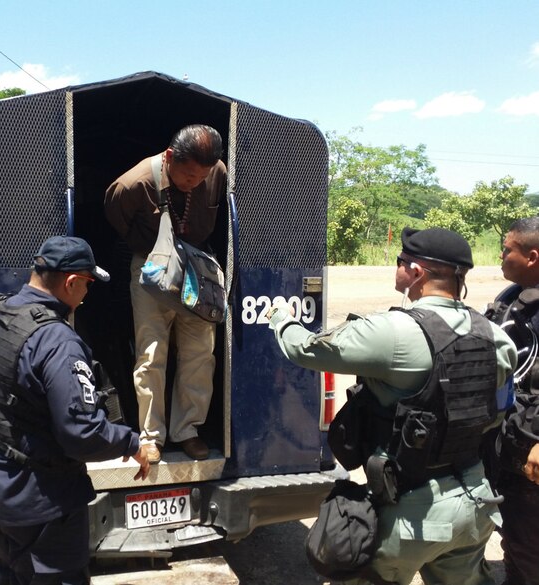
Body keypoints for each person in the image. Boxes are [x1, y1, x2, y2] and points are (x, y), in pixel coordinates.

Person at [268, 227, 517, 585]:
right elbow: (496, 413)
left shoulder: (394, 332)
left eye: (401, 262)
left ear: (416, 272)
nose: (397, 268)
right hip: (475, 504)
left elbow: (308, 349)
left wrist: (280, 319)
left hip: (412, 513)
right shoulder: (495, 336)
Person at [0, 235, 151, 585]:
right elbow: (82, 433)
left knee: (11, 574)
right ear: (71, 283)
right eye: (87, 284)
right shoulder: (57, 342)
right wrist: (131, 443)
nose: (87, 293)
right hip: (39, 504)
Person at [104, 124, 227, 463]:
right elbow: (117, 220)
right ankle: (151, 437)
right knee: (151, 353)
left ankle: (187, 430)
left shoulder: (216, 172)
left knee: (200, 353)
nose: (195, 183)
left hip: (198, 270)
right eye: (188, 176)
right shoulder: (133, 184)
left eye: (201, 178)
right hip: (152, 269)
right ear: (170, 157)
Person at [485, 217, 539, 585]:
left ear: (532, 257)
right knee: (515, 535)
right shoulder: (511, 298)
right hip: (509, 438)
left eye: (507, 250)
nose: (501, 256)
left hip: (532, 444)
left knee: (530, 542)